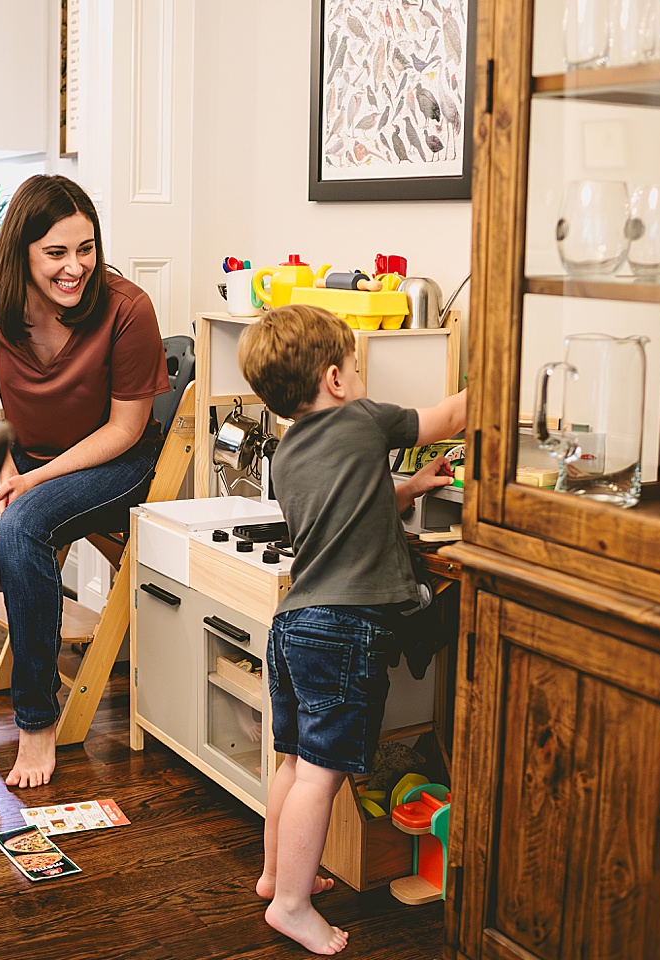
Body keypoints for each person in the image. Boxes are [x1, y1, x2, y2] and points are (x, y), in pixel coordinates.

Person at [0, 174, 171, 788]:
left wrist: (32, 483)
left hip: (115, 463)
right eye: (56, 252)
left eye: (85, 249)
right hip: (24, 459)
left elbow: (127, 427)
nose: (75, 267)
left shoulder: (127, 308)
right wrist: (7, 471)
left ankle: (36, 721)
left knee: (24, 525)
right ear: (21, 252)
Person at [237, 304, 467, 955]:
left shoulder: (288, 453)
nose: (362, 376)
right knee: (322, 775)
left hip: (293, 624)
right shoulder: (364, 419)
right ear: (336, 379)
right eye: (358, 366)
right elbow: (449, 417)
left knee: (292, 763)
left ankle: (275, 877)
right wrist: (506, 375)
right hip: (344, 627)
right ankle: (292, 903)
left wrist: (412, 487)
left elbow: (352, 505)